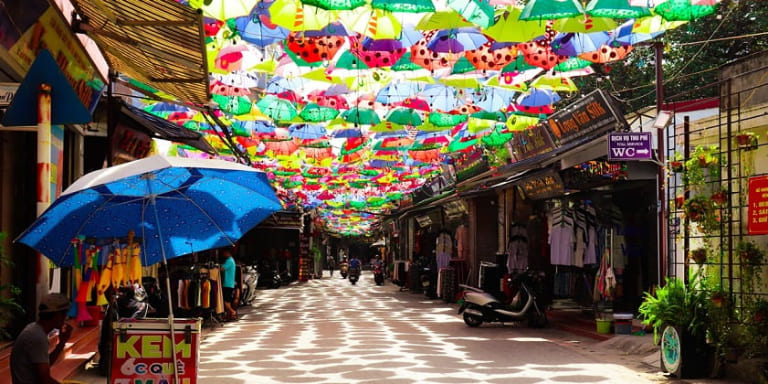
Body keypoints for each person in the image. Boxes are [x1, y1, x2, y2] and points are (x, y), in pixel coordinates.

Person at [11, 293, 73, 384]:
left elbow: (44, 365)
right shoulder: (37, 337)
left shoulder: (34, 329)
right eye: (64, 315)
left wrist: (62, 343)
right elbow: (44, 380)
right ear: (57, 315)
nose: (66, 318)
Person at [221, 248, 238, 321]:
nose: (223, 254)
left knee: (225, 301)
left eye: (224, 252)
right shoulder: (231, 260)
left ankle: (232, 312)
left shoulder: (229, 261)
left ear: (227, 252)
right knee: (228, 301)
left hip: (228, 284)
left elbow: (221, 269)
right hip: (229, 284)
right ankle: (229, 315)